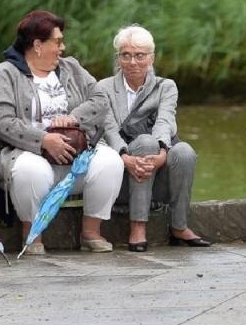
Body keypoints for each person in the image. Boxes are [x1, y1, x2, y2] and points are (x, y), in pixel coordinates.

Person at [0, 10, 123, 254]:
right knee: (31, 170)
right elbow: (0, 120)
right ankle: (32, 234)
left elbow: (102, 99)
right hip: (27, 153)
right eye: (57, 41)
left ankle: (91, 232)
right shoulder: (5, 73)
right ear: (37, 45)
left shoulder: (71, 67)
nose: (63, 47)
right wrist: (44, 141)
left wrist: (74, 118)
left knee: (110, 161)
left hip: (76, 154)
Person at [90, 25, 210, 252]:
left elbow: (165, 121)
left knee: (183, 151)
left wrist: (162, 153)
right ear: (118, 58)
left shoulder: (166, 86)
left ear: (151, 58)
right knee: (144, 142)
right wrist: (126, 159)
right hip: (122, 172)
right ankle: (138, 227)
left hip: (157, 166)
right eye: (126, 55)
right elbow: (109, 130)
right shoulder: (103, 87)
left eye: (139, 55)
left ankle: (179, 225)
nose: (133, 62)